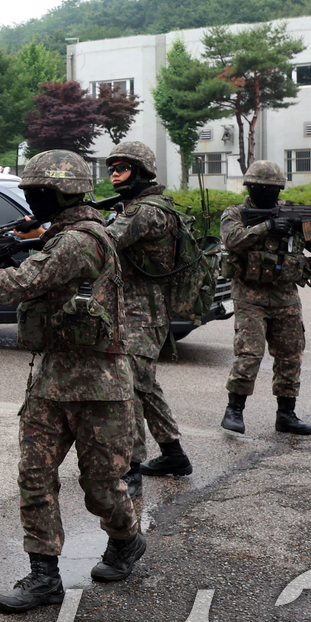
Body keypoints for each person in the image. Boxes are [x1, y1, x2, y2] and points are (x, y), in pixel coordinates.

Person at [0, 150, 142, 614]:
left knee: (101, 485)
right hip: (51, 380)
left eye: (34, 193)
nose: (29, 200)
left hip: (99, 385)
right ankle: (44, 577)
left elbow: (20, 284)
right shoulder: (58, 236)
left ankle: (126, 540)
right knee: (35, 478)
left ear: (55, 193)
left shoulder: (80, 240)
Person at [219, 160, 311, 435]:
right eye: (262, 188)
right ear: (250, 187)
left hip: (285, 296)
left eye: (273, 189)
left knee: (291, 354)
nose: (268, 192)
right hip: (249, 295)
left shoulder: (296, 214)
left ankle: (286, 414)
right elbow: (232, 240)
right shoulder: (235, 214)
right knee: (249, 353)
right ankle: (234, 410)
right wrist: (268, 226)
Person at [101, 142, 191, 482]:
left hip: (141, 312)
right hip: (138, 310)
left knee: (130, 388)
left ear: (140, 171)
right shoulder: (137, 207)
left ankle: (131, 468)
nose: (114, 174)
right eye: (111, 168)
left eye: (121, 167)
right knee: (145, 385)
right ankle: (174, 455)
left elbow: (101, 242)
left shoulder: (144, 212)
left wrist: (53, 232)